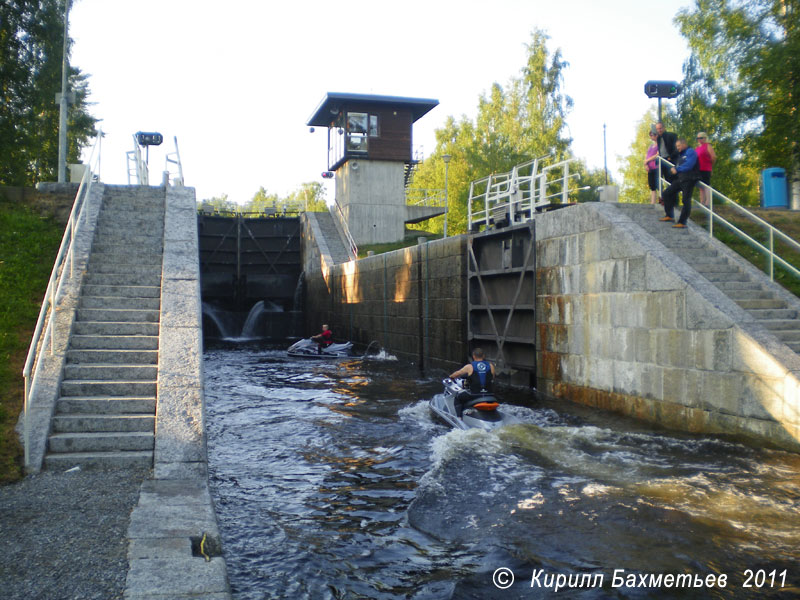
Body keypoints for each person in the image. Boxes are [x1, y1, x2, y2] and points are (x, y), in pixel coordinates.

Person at [659, 137, 700, 228]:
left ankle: (682, 222)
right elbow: (677, 166)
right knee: (666, 193)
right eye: (676, 146)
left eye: (679, 146)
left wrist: (677, 169)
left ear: (684, 144)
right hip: (680, 179)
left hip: (689, 179)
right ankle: (669, 215)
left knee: (685, 200)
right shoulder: (680, 155)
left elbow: (689, 165)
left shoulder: (691, 152)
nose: (677, 148)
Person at [449, 348, 496, 415]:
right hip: (490, 394)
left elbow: (457, 374)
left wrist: (451, 377)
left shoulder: (469, 366)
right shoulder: (491, 366)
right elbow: (492, 378)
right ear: (483, 356)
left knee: (458, 397)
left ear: (473, 356)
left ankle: (459, 418)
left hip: (475, 395)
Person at [695, 132, 716, 206]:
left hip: (706, 168)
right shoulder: (697, 148)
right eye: (698, 138)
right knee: (700, 186)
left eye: (701, 138)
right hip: (698, 169)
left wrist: (710, 165)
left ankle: (708, 202)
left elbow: (713, 157)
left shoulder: (708, 146)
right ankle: (702, 202)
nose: (699, 139)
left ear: (705, 138)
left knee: (706, 185)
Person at [644, 129, 660, 204]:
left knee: (658, 185)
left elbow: (657, 154)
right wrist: (645, 164)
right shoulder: (650, 146)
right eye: (650, 135)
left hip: (656, 167)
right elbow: (647, 156)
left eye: (652, 135)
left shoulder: (659, 145)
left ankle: (661, 200)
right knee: (652, 186)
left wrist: (648, 160)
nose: (651, 136)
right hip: (650, 168)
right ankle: (652, 202)